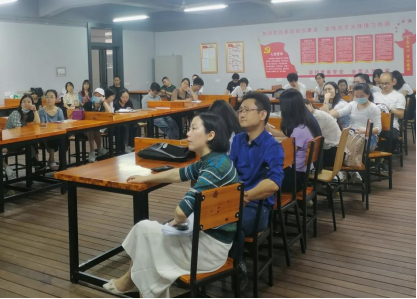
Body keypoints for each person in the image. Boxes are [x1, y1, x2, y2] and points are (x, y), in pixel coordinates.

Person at [104, 114, 239, 297]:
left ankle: (130, 282)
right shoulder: (216, 160)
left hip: (208, 250)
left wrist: (176, 220)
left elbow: (181, 213)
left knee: (145, 232)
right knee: (146, 233)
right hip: (209, 240)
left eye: (194, 128)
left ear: (210, 135)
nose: (188, 133)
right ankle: (132, 282)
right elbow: (178, 174)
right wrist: (147, 178)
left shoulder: (213, 168)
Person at [229, 92, 284, 289]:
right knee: (203, 218)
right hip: (233, 201)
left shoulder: (272, 146)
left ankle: (237, 265)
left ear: (262, 114)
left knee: (231, 224)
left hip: (258, 208)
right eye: (240, 110)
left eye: (247, 110)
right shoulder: (238, 140)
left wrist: (246, 196)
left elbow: (274, 183)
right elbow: (228, 171)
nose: (242, 114)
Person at [322, 83, 382, 183]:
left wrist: (365, 131)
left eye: (362, 96)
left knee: (348, 145)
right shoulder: (353, 104)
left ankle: (347, 172)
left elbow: (378, 128)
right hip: (353, 134)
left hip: (368, 137)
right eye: (356, 96)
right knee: (339, 145)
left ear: (368, 95)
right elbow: (340, 112)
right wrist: (327, 115)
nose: (359, 98)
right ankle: (350, 172)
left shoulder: (373, 108)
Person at [269, 90, 321, 194]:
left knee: (262, 175)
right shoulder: (304, 124)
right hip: (301, 175)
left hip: (295, 180)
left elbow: (286, 156)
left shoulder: (299, 131)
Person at [4, 94, 44, 170]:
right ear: (20, 104)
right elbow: (18, 129)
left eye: (29, 102)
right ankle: (35, 162)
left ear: (32, 104)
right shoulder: (16, 113)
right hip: (9, 141)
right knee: (30, 141)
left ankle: (35, 161)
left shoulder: (29, 114)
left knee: (32, 140)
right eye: (24, 102)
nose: (26, 104)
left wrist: (35, 110)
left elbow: (38, 123)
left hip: (19, 140)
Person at [373, 72, 406, 156]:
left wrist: (390, 109)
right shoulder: (374, 95)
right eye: (382, 83)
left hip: (391, 125)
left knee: (393, 137)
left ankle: (385, 158)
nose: (384, 86)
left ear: (393, 82)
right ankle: (373, 157)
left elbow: (401, 114)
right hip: (375, 124)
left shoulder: (399, 96)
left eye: (387, 83)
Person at [305, 99, 342, 168]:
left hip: (332, 154)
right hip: (337, 151)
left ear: (310, 104)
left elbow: (312, 137)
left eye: (305, 108)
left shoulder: (317, 116)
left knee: (302, 157)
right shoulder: (318, 113)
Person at [39, 89, 64, 170]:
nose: (49, 99)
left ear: (56, 99)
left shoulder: (59, 110)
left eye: (51, 97)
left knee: (65, 140)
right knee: (51, 139)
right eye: (47, 97)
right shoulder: (42, 111)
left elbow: (62, 124)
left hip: (58, 133)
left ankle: (61, 163)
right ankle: (52, 160)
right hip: (45, 135)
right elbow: (42, 124)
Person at [83, 88, 110, 162]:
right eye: (95, 95)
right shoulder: (87, 104)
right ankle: (93, 151)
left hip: (99, 128)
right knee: (91, 128)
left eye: (99, 95)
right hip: (85, 128)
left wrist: (104, 102)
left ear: (103, 97)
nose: (97, 97)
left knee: (95, 129)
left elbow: (110, 113)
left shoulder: (103, 106)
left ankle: (98, 149)